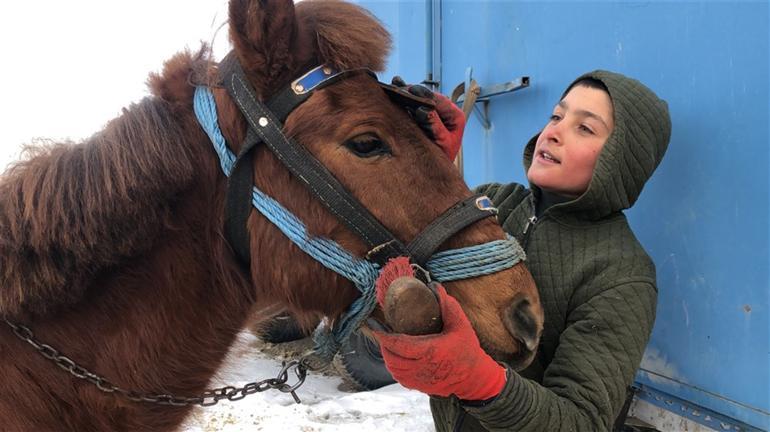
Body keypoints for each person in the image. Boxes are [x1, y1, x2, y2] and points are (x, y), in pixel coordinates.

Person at [372, 70, 672, 431]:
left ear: (620, 161)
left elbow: (582, 421)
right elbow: (404, 236)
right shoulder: (494, 202)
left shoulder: (622, 275)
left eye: (585, 128)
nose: (555, 132)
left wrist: (477, 380)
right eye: (557, 116)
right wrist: (424, 157)